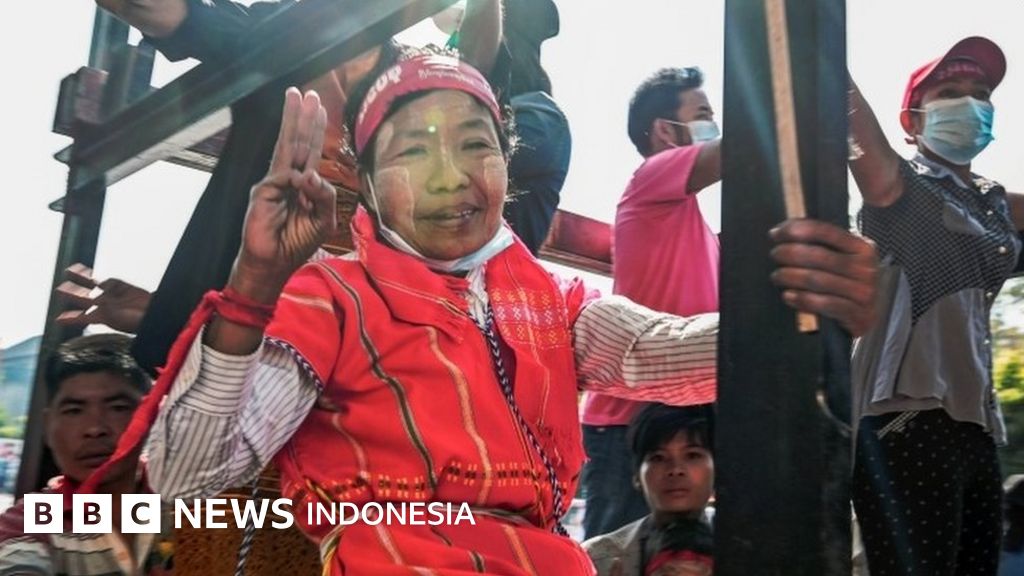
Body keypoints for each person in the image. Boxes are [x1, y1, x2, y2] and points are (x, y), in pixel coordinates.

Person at [80, 53, 877, 574]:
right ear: (367, 182)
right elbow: (187, 481)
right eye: (413, 151)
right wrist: (254, 283)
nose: (448, 176)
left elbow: (660, 349)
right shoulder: (330, 297)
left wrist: (809, 310)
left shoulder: (552, 303)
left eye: (474, 144)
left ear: (504, 163)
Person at [95, 0, 502, 374]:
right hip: (244, 328)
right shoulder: (276, 36)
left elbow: (474, 73)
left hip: (360, 335)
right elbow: (170, 13)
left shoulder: (408, 73)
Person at [847, 36, 1024, 576]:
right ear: (912, 122)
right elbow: (848, 118)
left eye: (981, 93)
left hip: (977, 427)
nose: (970, 104)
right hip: (905, 418)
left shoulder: (992, 206)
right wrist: (814, 40)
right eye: (949, 92)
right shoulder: (903, 191)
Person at [580, 67, 723, 539]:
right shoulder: (652, 176)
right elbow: (742, 151)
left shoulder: (699, 230)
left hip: (682, 420)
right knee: (612, 554)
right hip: (628, 422)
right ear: (666, 130)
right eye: (703, 114)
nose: (713, 126)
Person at [0, 334, 173, 576]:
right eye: (74, 411)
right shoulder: (27, 521)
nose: (94, 429)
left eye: (118, 408)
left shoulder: (191, 502)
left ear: (152, 416)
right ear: (47, 426)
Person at [583, 404, 715, 576]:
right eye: (658, 458)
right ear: (637, 476)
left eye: (692, 455)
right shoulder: (596, 561)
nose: (675, 470)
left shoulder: (745, 550)